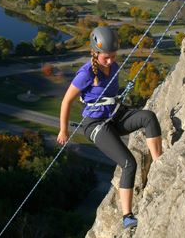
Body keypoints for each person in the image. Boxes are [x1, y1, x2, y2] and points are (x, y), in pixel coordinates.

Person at [57, 26, 162, 228]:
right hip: (95, 124)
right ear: (95, 53)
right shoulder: (85, 74)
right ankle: (127, 216)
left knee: (148, 117)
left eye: (113, 56)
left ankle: (159, 163)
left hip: (114, 115)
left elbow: (109, 94)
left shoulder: (113, 67)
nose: (111, 60)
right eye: (106, 57)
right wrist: (63, 130)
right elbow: (66, 101)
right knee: (129, 163)